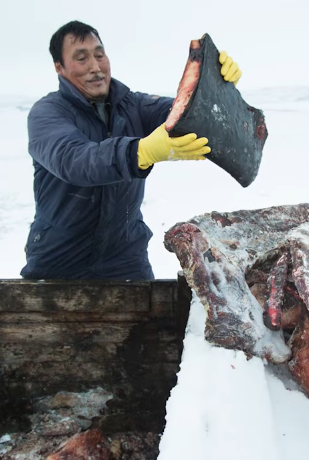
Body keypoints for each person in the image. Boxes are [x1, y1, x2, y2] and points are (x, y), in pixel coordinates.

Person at [21, 21, 242, 280]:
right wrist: (140, 152)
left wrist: (214, 87)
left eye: (99, 54)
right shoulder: (47, 113)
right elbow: (75, 161)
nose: (95, 66)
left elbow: (190, 114)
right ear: (59, 67)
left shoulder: (134, 106)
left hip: (125, 259)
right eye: (81, 58)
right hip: (59, 261)